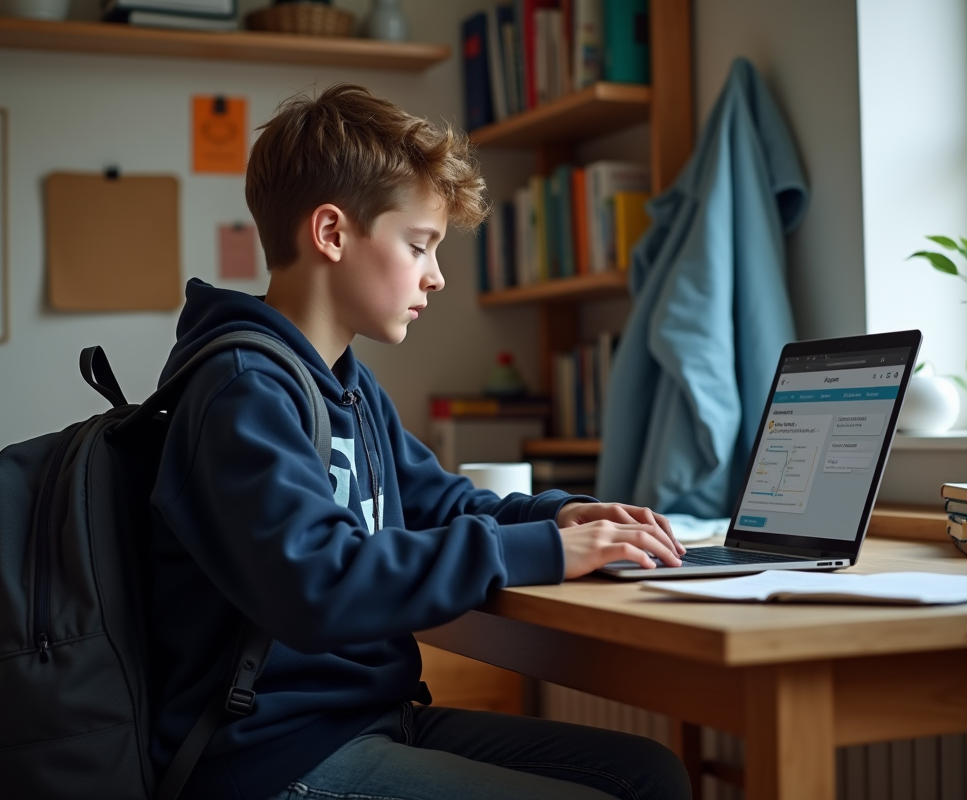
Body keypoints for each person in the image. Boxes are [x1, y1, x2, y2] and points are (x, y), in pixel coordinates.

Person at [148, 83, 692, 800]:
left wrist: (560, 516)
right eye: (418, 245)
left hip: (370, 718)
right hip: (273, 755)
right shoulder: (241, 391)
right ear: (331, 233)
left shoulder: (345, 384)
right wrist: (546, 552)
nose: (435, 277)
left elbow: (441, 503)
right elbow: (319, 582)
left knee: (650, 775)